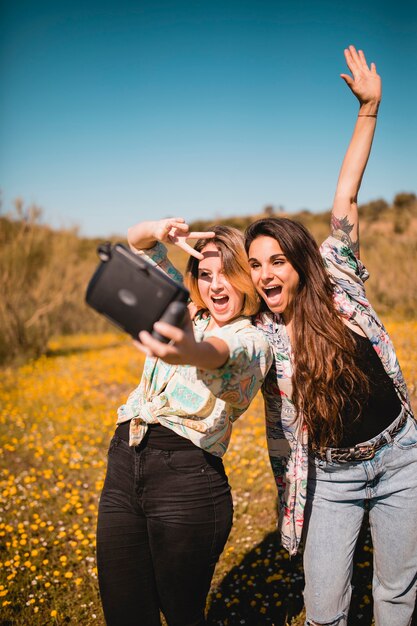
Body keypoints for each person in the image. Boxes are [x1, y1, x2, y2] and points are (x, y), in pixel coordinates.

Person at [244, 46, 417, 626]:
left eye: (276, 260)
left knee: (396, 596)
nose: (266, 273)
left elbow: (346, 192)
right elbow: (216, 343)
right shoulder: (264, 336)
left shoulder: (338, 273)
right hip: (333, 475)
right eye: (255, 264)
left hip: (400, 457)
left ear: (299, 260)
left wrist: (368, 111)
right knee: (323, 611)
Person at [96, 219, 272, 626]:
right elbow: (136, 245)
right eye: (206, 274)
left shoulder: (253, 340)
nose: (215, 286)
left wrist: (189, 349)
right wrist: (158, 229)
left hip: (187, 482)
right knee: (124, 610)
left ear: (248, 277)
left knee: (182, 614)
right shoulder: (183, 304)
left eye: (228, 273)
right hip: (124, 462)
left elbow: (219, 354)